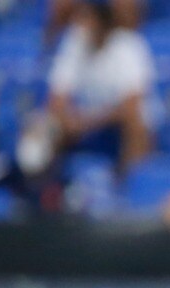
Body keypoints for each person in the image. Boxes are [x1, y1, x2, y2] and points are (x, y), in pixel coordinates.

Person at [45, 0, 156, 172]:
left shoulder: (129, 45)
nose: (79, 23)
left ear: (102, 21)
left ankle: (131, 184)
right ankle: (51, 188)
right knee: (46, 124)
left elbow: (131, 105)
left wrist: (89, 122)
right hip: (83, 120)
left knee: (136, 123)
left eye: (86, 17)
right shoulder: (74, 42)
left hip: (115, 123)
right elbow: (57, 96)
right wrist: (68, 119)